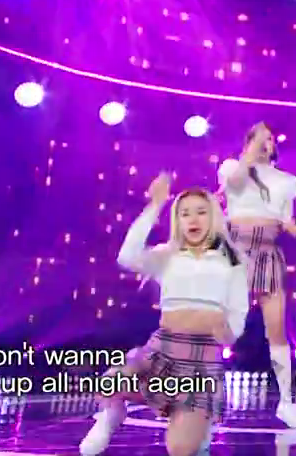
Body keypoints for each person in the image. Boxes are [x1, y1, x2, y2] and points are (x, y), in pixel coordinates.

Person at [79, 173, 248, 456]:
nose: (193, 219)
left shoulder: (230, 259)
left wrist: (231, 331)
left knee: (183, 449)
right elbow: (127, 256)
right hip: (163, 347)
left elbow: (239, 306)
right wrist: (155, 205)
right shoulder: (168, 254)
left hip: (202, 358)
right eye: (185, 213)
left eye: (201, 212)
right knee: (110, 383)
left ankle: (196, 429)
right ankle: (111, 416)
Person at [217, 122, 296, 428]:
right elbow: (235, 183)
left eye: (270, 138)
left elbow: (287, 219)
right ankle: (199, 396)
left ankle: (286, 402)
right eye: (259, 138)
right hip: (235, 251)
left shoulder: (287, 181)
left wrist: (293, 227)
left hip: (268, 252)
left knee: (277, 330)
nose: (266, 142)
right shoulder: (232, 167)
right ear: (248, 142)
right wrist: (250, 152)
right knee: (219, 324)